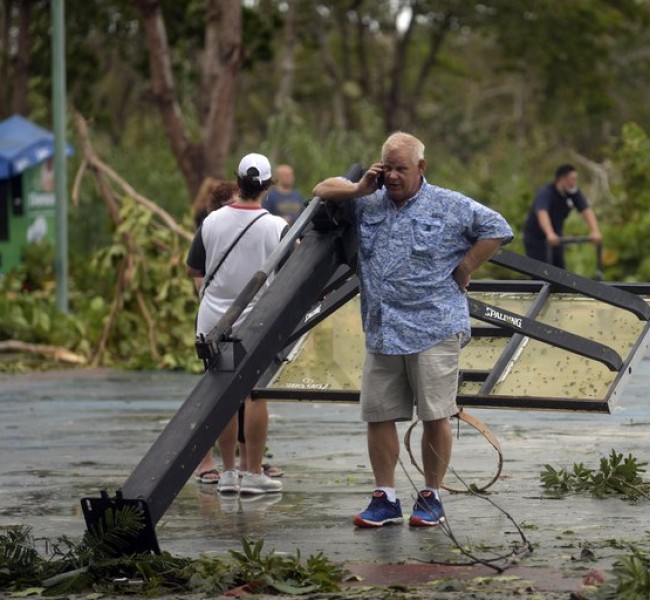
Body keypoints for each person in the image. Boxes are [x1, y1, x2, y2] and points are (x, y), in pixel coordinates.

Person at [313, 132, 513, 528]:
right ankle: (385, 498)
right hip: (383, 326)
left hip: (434, 325)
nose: (392, 176)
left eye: (401, 169)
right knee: (379, 414)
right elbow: (321, 190)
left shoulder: (450, 204)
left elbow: (498, 227)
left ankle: (431, 496)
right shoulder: (366, 201)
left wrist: (467, 265)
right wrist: (357, 188)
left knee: (436, 413)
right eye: (387, 167)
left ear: (421, 168)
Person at [186, 153, 287, 496]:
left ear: (237, 180)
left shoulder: (211, 221)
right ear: (269, 187)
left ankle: (228, 472)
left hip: (214, 322)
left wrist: (211, 298)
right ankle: (253, 472)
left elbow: (194, 268)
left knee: (222, 395)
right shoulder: (277, 228)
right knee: (255, 394)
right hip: (258, 323)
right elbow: (291, 272)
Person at [523, 164, 601, 269]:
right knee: (541, 271)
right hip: (537, 238)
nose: (574, 183)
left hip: (556, 237)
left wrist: (595, 231)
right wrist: (549, 233)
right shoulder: (546, 192)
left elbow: (586, 210)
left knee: (559, 271)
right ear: (562, 179)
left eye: (575, 179)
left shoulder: (573, 192)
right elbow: (542, 212)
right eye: (571, 179)